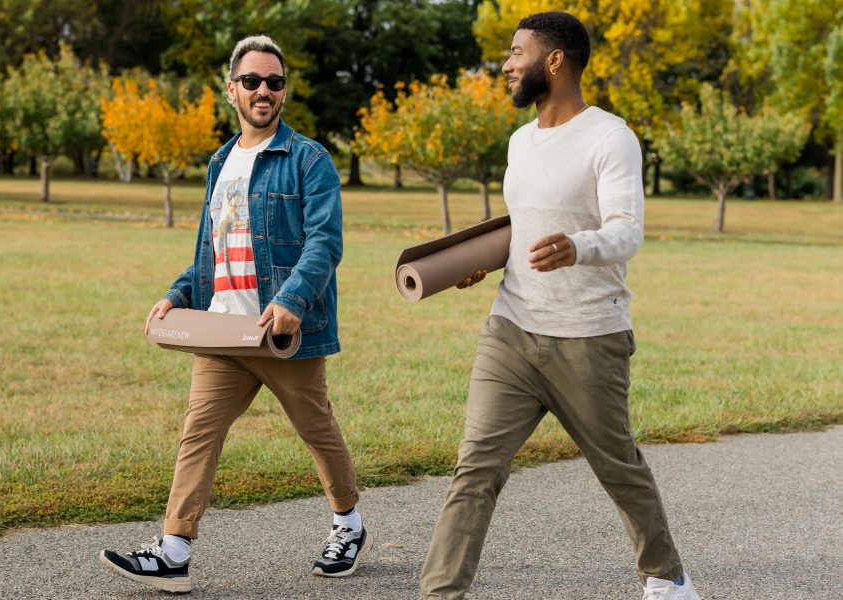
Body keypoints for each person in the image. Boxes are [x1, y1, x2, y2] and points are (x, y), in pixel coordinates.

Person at [420, 12, 700, 600]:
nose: (506, 64)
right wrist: (484, 260)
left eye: (516, 52)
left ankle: (667, 577)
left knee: (618, 469)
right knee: (475, 469)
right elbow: (527, 226)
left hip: (588, 337)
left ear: (554, 61)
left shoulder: (610, 137)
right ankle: (440, 594)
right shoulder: (521, 141)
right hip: (512, 330)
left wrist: (579, 247)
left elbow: (627, 231)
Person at [99, 35, 371, 594]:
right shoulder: (220, 162)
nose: (264, 91)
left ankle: (349, 522)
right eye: (252, 81)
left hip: (277, 332)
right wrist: (178, 293)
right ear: (232, 90)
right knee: (198, 432)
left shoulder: (309, 159)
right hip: (222, 327)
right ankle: (174, 549)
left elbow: (325, 243)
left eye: (274, 82)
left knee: (317, 431)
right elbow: (213, 247)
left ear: (284, 91)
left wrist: (292, 302)